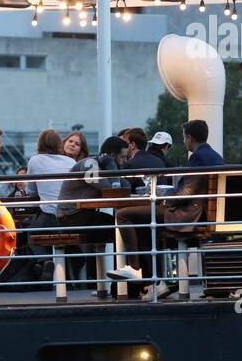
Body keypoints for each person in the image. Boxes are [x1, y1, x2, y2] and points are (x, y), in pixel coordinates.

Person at [111, 120, 224, 296]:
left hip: (186, 214)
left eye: (184, 137)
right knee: (145, 224)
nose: (184, 141)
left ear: (190, 138)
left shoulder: (198, 157)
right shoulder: (214, 156)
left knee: (123, 214)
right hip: (200, 212)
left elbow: (187, 191)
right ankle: (155, 281)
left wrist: (165, 201)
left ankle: (135, 268)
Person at [56, 136, 131, 239]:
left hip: (80, 216)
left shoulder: (102, 167)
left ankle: (131, 254)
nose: (125, 161)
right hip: (70, 218)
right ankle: (133, 255)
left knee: (125, 224)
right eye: (122, 157)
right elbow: (112, 191)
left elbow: (127, 187)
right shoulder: (89, 165)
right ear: (112, 156)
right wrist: (112, 166)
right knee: (123, 227)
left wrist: (113, 170)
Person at [24, 129, 75, 225]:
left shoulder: (35, 160)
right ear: (59, 144)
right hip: (72, 216)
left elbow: (31, 192)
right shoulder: (71, 161)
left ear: (40, 144)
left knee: (28, 226)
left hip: (50, 217)